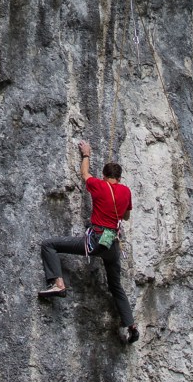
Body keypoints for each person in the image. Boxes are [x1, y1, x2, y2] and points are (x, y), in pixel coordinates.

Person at [38, 139, 140, 344]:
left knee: (49, 245)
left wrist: (86, 154)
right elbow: (126, 217)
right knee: (116, 286)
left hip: (95, 240)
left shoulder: (99, 185)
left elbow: (84, 175)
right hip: (113, 244)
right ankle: (131, 326)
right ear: (119, 178)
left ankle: (58, 283)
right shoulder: (126, 191)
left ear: (104, 176)